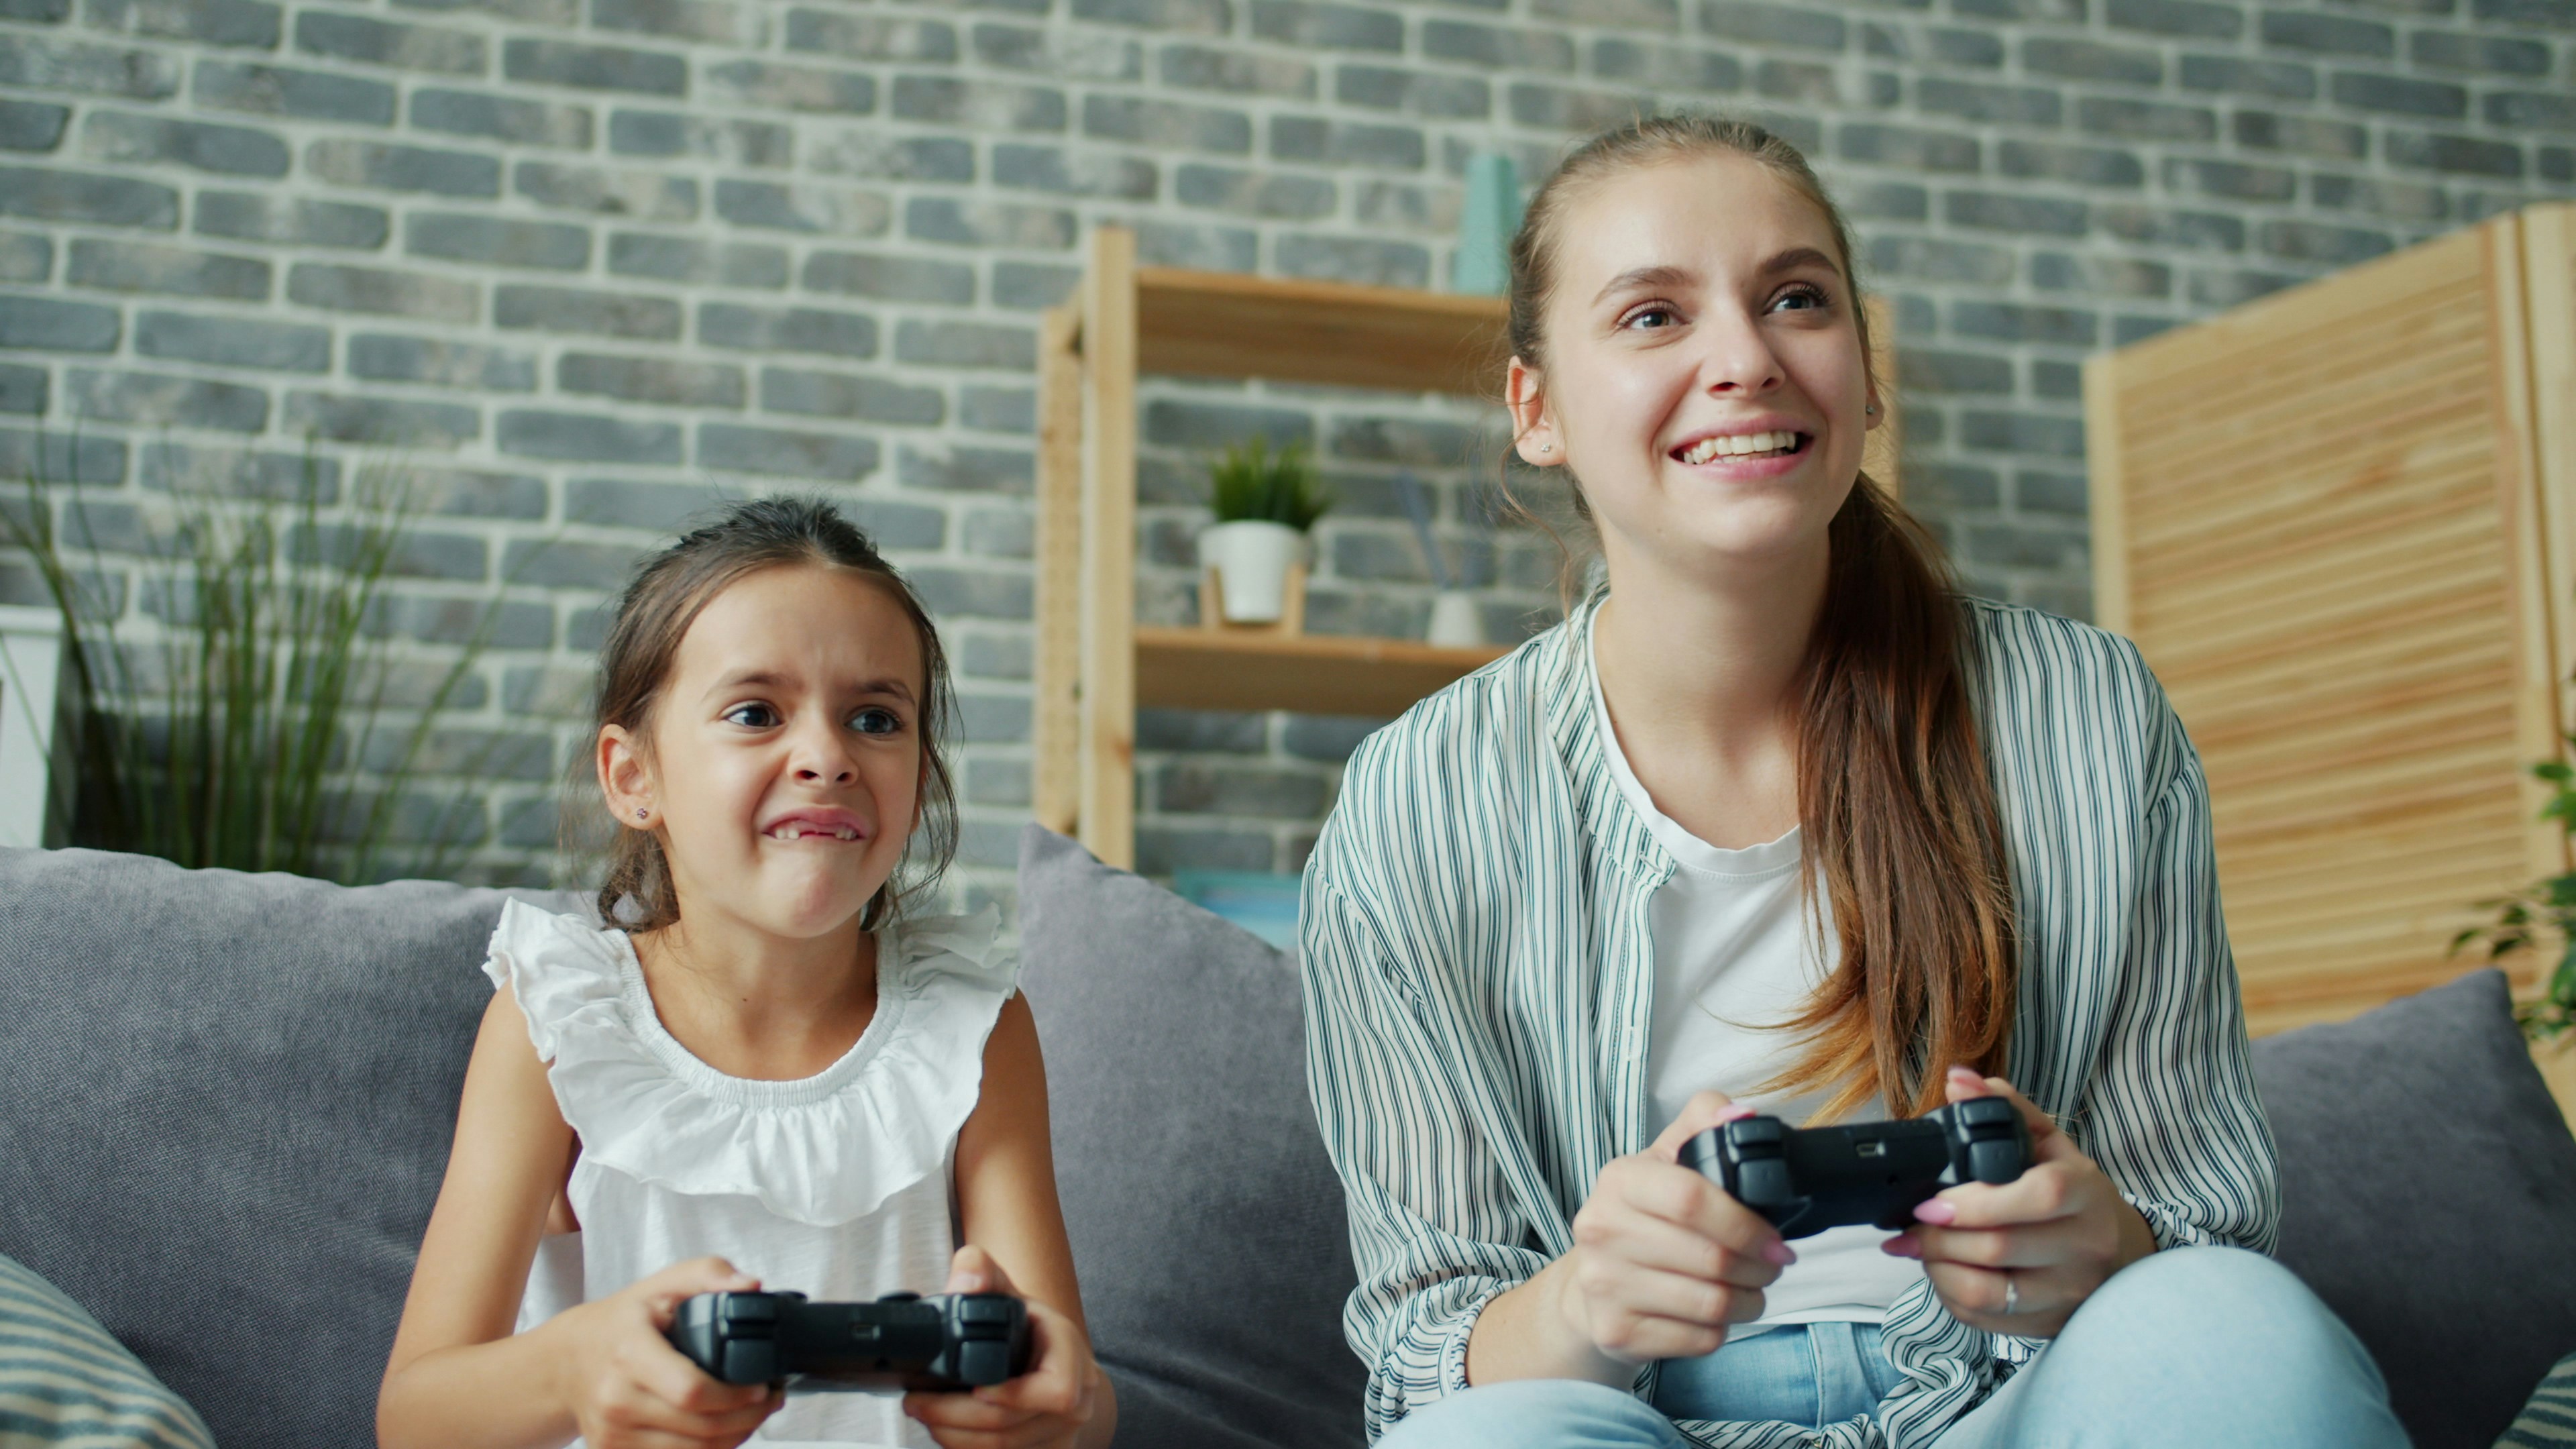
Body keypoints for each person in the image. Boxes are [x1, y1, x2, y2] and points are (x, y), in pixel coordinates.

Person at [1296, 115, 2406, 1449]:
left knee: (2235, 1324)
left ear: (1864, 374)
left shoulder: (2091, 719)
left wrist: (2100, 1243)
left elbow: (2207, 1225)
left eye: (1797, 300)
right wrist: (1592, 1301)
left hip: (2016, 1407)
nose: (1747, 361)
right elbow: (1420, 1364)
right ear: (1537, 411)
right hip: (1632, 1426)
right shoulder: (1411, 806)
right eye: (1654, 315)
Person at [378, 498, 1113, 1449]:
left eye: (875, 719)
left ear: (921, 778)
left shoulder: (976, 1026)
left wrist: (1060, 1405)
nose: (826, 757)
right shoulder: (558, 1020)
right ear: (633, 776)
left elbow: (1079, 1409)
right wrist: (574, 1365)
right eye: (756, 712)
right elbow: (412, 1419)